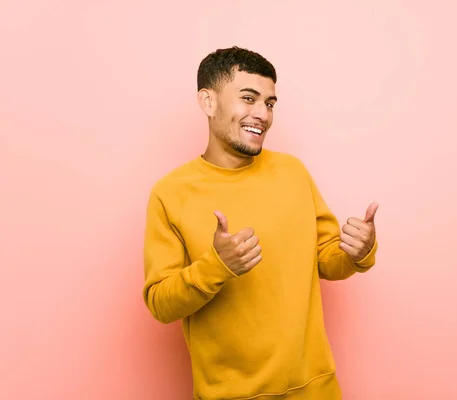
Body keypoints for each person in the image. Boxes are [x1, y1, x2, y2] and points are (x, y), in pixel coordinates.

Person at [142, 46, 379, 400]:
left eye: (269, 103)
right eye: (248, 98)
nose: (262, 114)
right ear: (208, 102)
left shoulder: (292, 172)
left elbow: (325, 258)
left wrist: (357, 252)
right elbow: (160, 302)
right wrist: (217, 266)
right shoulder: (170, 193)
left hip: (316, 389)